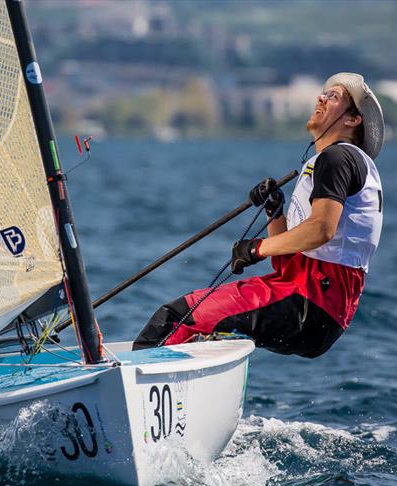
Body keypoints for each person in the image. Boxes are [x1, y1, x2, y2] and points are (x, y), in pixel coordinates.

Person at [134, 72, 384, 358]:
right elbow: (290, 262)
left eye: (333, 97)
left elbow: (320, 231)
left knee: (173, 320)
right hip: (321, 308)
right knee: (197, 333)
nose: (321, 98)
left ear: (352, 120)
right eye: (324, 94)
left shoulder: (337, 158)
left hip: (310, 300)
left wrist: (256, 249)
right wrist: (274, 212)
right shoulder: (342, 162)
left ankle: (129, 395)